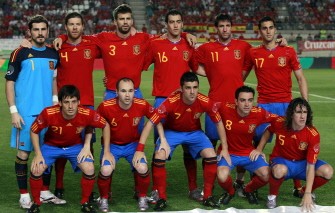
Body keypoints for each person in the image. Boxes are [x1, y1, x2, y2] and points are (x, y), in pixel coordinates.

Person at [133, 72, 231, 211]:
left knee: (210, 154)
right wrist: (140, 149)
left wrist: (225, 148)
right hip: (172, 132)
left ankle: (207, 196)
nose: (192, 91)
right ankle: (161, 197)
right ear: (181, 88)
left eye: (195, 87)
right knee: (160, 155)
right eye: (188, 87)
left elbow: (219, 122)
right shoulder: (171, 101)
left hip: (194, 132)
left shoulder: (204, 101)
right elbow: (150, 123)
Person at [243, 16, 308, 196]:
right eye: (264, 28)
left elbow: (300, 78)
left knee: (293, 144)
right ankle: (253, 185)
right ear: (260, 31)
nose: (268, 31)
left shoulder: (288, 51)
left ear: (275, 29)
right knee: (257, 143)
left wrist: (305, 104)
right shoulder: (253, 53)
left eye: (271, 27)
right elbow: (240, 77)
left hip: (286, 105)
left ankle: (297, 187)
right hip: (264, 105)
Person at [142, 9, 201, 203]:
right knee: (160, 147)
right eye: (172, 22)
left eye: (178, 22)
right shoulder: (155, 43)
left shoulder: (188, 43)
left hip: (185, 102)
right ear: (166, 25)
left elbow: (196, 68)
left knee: (189, 146)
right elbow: (140, 65)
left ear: (182, 24)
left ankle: (193, 188)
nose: (175, 25)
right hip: (162, 101)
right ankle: (158, 190)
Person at [4, 15, 62, 209]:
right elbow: (9, 83)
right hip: (26, 114)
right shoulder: (19, 53)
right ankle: (24, 195)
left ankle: (44, 191)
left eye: (43, 29)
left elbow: (54, 81)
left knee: (46, 153)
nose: (40, 33)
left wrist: (55, 103)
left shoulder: (54, 54)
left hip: (48, 114)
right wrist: (13, 111)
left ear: (47, 30)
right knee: (23, 154)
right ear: (30, 32)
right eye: (35, 29)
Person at [193, 13, 252, 197]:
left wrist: (240, 77)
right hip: (215, 104)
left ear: (231, 27)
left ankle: (240, 181)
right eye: (221, 26)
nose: (225, 29)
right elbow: (193, 64)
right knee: (210, 145)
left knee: (242, 144)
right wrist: (210, 74)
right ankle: (207, 185)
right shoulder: (207, 48)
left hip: (237, 106)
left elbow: (252, 61)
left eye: (228, 25)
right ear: (216, 29)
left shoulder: (243, 46)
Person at [26, 85, 111, 213]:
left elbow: (105, 125)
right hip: (51, 146)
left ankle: (85, 203)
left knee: (89, 168)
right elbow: (33, 131)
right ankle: (36, 204)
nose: (70, 106)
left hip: (75, 147)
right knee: (36, 169)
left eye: (74, 102)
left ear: (79, 102)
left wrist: (91, 146)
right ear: (60, 103)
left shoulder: (86, 113)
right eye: (66, 102)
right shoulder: (49, 113)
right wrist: (38, 154)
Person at [255, 98, 333, 211]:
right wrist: (259, 148)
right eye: (298, 112)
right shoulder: (280, 122)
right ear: (291, 114)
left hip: (302, 164)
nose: (302, 116)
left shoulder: (313, 134)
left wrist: (307, 193)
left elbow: (311, 166)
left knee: (328, 171)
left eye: (305, 112)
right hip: (282, 160)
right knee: (279, 170)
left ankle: (303, 192)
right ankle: (272, 196)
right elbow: (269, 130)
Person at [96, 78, 153, 212]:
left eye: (130, 91)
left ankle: (142, 196)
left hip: (133, 145)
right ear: (116, 92)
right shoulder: (105, 106)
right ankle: (104, 198)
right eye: (123, 91)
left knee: (142, 167)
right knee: (106, 170)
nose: (127, 95)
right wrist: (106, 151)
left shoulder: (142, 104)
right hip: (112, 146)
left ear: (135, 92)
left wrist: (143, 147)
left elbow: (156, 118)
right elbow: (92, 124)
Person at [216, 86, 278, 205]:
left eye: (250, 100)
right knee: (222, 176)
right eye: (243, 100)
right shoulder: (224, 107)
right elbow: (207, 104)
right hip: (228, 152)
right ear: (236, 101)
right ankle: (230, 191)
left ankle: (248, 189)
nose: (247, 104)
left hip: (248, 153)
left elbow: (276, 122)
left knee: (266, 174)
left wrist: (259, 148)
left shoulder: (258, 113)